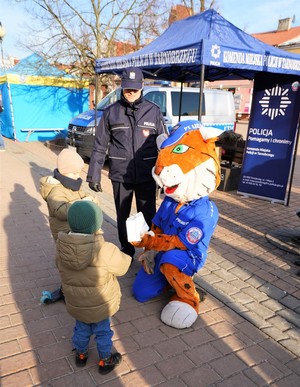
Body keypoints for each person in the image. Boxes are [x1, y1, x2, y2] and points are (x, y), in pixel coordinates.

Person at [87, 67, 167, 259]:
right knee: (123, 215)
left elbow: (165, 145)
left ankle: (148, 249)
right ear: (122, 87)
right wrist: (94, 174)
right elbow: (99, 145)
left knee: (147, 214)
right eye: (127, 88)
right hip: (120, 174)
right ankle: (127, 249)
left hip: (147, 174)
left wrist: (166, 176)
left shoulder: (153, 112)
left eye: (135, 89)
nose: (130, 92)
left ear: (142, 87)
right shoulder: (110, 112)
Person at [55, 201, 131, 374]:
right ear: (97, 224)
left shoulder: (61, 247)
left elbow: (59, 266)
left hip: (77, 303)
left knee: (81, 329)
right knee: (103, 332)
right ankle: (105, 360)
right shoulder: (104, 249)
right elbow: (123, 266)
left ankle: (81, 355)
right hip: (100, 304)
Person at [40, 148, 100, 303]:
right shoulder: (55, 191)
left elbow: (81, 197)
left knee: (80, 262)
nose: (78, 176)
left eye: (79, 173)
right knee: (69, 264)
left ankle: (77, 288)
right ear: (63, 172)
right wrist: (83, 205)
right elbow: (61, 210)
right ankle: (66, 290)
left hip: (76, 232)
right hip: (65, 234)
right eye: (74, 173)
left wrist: (90, 199)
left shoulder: (71, 185)